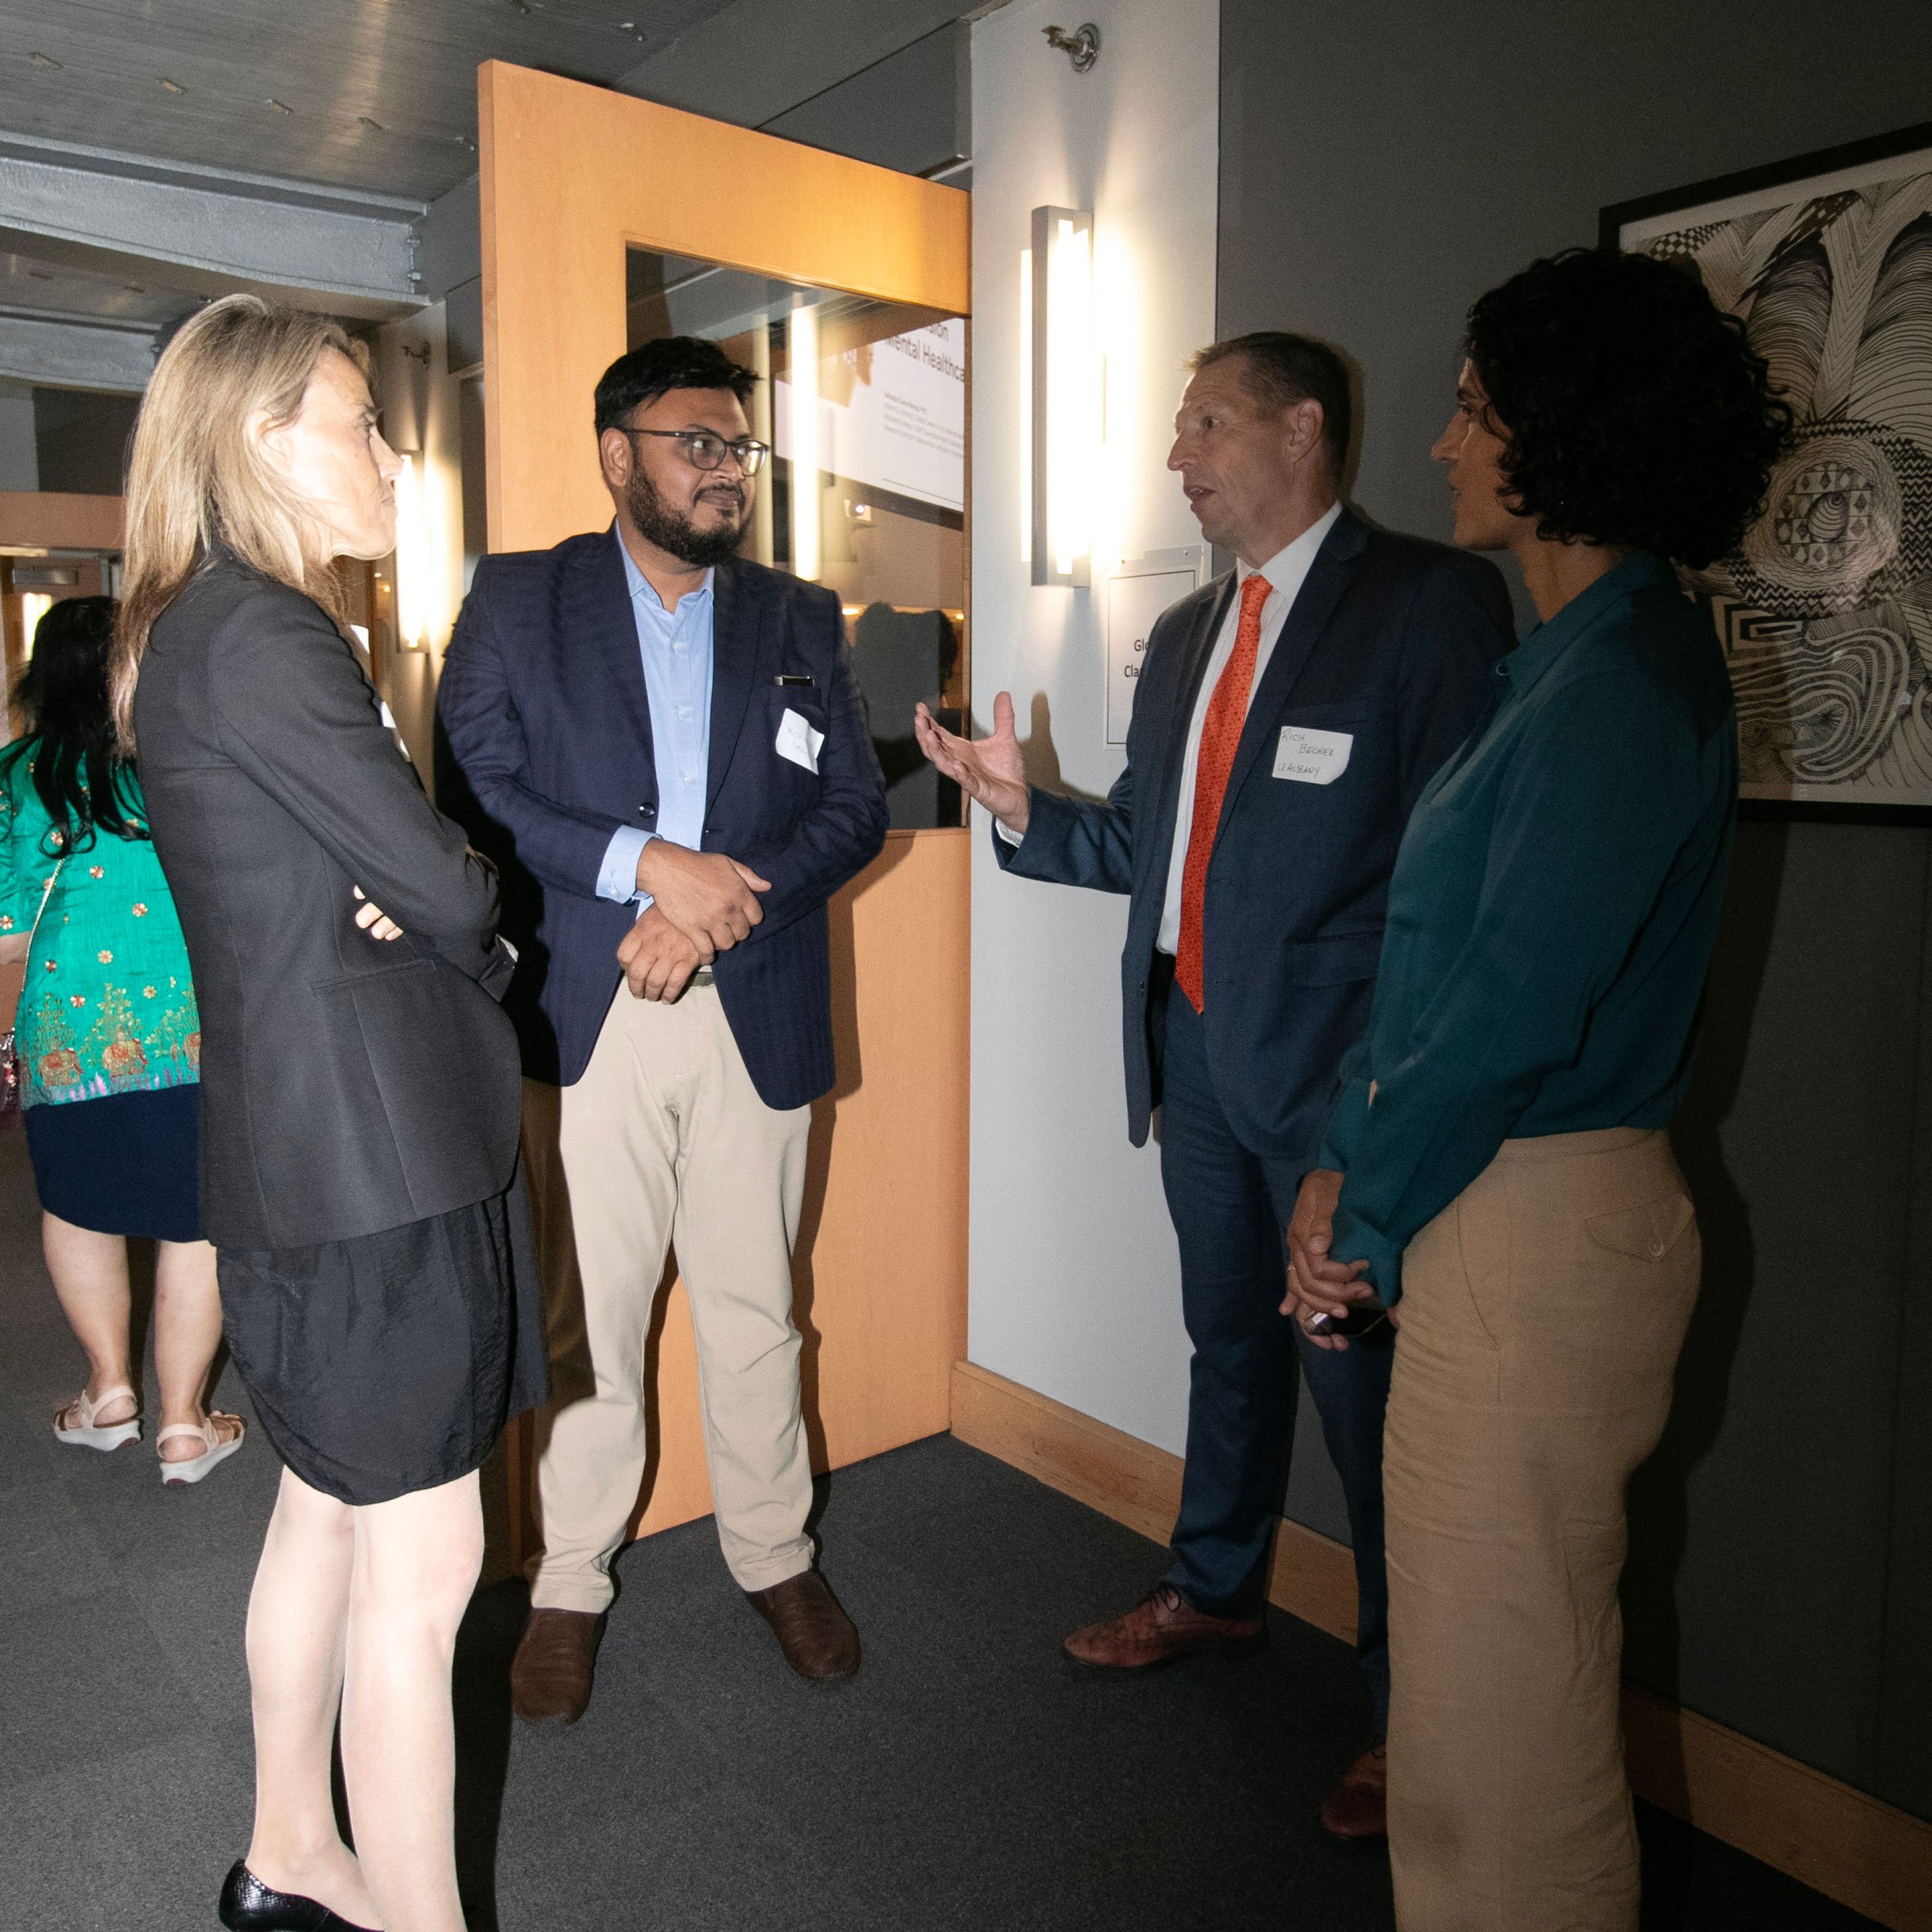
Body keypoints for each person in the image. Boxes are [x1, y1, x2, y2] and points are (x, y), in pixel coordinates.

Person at [914, 332, 1510, 1834]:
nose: (1177, 454)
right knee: (1225, 1348)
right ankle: (1217, 1589)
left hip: (1336, 1095)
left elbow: (1458, 884)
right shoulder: (1188, 637)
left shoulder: (1429, 607)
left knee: (1366, 1406)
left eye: (1203, 423)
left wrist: (1374, 1108)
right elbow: (1146, 849)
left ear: (1302, 428)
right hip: (1190, 1053)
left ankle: (1413, 1718)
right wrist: (1018, 808)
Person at [1284, 249, 1790, 1930]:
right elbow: (1445, 984)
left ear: (1565, 439)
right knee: (1467, 1720)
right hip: (1502, 1204)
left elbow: (1499, 1016)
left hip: (1537, 1216)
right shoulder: (1575, 667)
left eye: (1477, 410)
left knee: (1513, 1742)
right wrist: (1346, 1168)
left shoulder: (1620, 684)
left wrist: (1361, 1204)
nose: (1442, 443)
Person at [117, 295, 543, 1932]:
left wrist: (426, 892)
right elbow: (441, 884)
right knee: (421, 1579)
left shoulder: (197, 626)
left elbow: (382, 880)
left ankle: (289, 1846)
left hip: (314, 1158)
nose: (390, 454)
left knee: (323, 1515)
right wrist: (473, 903)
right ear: (255, 442)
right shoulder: (269, 630)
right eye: (359, 423)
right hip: (374, 1170)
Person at [437, 333, 889, 1719]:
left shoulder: (802, 617)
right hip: (592, 1007)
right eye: (697, 442)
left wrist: (712, 904)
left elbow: (851, 807)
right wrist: (644, 864)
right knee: (595, 1319)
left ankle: (773, 1553)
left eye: (738, 448)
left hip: (749, 1000)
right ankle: (570, 1580)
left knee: (759, 1306)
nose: (725, 472)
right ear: (615, 451)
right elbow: (481, 786)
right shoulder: (519, 600)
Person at [0, 595, 241, 1483]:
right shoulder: (178, 760)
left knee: (75, 1206)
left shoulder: (16, 775)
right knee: (196, 1219)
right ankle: (184, 1425)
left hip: (69, 1032)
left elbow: (6, 933)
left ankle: (109, 1395)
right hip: (194, 1027)